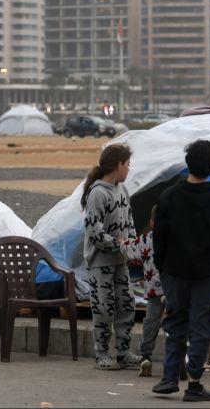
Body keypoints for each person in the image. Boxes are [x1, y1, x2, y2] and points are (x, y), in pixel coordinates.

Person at [151, 139, 210, 402]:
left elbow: (159, 238)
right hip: (206, 275)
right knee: (202, 326)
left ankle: (169, 377)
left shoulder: (168, 197)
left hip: (173, 273)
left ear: (188, 163)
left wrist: (163, 268)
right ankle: (194, 383)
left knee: (175, 324)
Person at [81, 142, 142, 371]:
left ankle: (123, 352)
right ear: (118, 165)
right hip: (101, 263)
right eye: (127, 164)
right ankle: (102, 354)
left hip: (120, 261)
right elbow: (94, 231)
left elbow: (129, 222)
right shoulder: (98, 193)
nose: (129, 169)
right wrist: (118, 245)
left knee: (126, 304)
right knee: (103, 308)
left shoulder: (122, 191)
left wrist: (133, 246)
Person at [121, 208, 186, 381]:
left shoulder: (145, 239)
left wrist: (121, 242)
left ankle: (146, 357)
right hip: (175, 291)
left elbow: (128, 249)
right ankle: (178, 357)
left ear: (151, 223)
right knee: (176, 323)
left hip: (153, 291)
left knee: (151, 323)